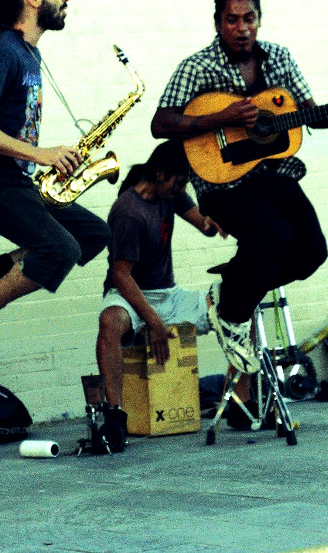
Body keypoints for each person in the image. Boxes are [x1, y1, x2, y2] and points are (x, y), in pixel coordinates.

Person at [150, 0, 328, 376]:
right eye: (232, 20)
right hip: (222, 180)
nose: (242, 28)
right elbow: (160, 123)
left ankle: (229, 291)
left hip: (274, 174)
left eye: (249, 18)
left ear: (259, 19)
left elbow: (310, 114)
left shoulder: (279, 58)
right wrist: (221, 118)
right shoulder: (196, 67)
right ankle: (233, 315)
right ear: (218, 23)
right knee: (274, 237)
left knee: (312, 251)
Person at [0, 0, 109, 375]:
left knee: (94, 234)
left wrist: (55, 160)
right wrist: (41, 154)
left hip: (17, 183)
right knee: (61, 249)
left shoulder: (29, 54)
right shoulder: (3, 50)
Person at [94, 140, 225, 450]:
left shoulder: (170, 192)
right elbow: (121, 276)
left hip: (169, 294)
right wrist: (153, 322)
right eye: (178, 183)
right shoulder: (129, 211)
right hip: (130, 295)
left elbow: (202, 222)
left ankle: (245, 401)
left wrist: (215, 220)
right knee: (110, 322)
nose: (182, 189)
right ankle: (114, 416)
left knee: (235, 301)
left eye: (184, 184)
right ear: (159, 174)